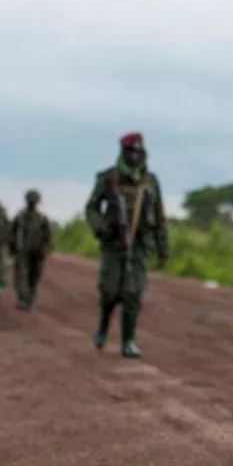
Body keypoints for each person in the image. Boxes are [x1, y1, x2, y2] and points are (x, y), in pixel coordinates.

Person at [83, 131, 169, 358]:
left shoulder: (150, 182)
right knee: (110, 291)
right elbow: (91, 207)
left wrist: (163, 249)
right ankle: (103, 327)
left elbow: (159, 217)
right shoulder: (109, 178)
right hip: (113, 243)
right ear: (123, 153)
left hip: (141, 244)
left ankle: (128, 341)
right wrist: (101, 227)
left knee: (133, 292)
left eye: (139, 152)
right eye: (131, 152)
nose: (135, 156)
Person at [9, 189, 54, 311]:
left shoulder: (42, 219)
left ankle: (29, 300)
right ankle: (23, 299)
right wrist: (12, 248)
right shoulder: (20, 217)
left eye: (34, 201)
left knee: (33, 277)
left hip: (37, 252)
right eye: (30, 200)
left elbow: (48, 236)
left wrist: (46, 249)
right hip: (22, 251)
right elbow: (11, 233)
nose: (32, 203)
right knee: (21, 276)